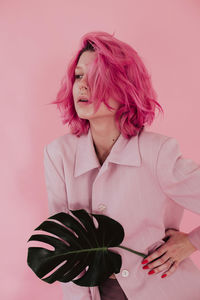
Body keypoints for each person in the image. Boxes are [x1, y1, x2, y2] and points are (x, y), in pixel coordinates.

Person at [43, 31, 200, 300]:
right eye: (79, 76)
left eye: (96, 77)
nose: (82, 86)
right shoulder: (58, 154)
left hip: (161, 289)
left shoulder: (158, 152)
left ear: (125, 86)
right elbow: (63, 239)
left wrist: (191, 242)